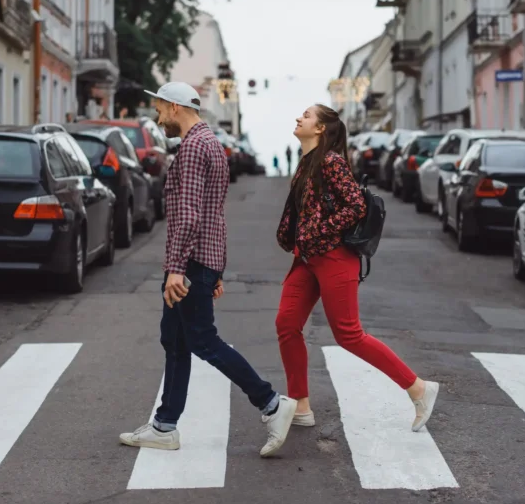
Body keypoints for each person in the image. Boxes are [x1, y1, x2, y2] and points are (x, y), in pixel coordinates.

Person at [119, 81, 296, 457]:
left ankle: (271, 404)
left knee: (202, 340)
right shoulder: (211, 143)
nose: (157, 116)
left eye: (160, 109)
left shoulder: (193, 147)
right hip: (202, 260)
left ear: (174, 106)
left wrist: (176, 269)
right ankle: (165, 426)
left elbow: (189, 214)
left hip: (190, 262)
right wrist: (215, 269)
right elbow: (214, 214)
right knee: (175, 339)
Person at [275, 104, 439, 431]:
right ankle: (301, 405)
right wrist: (296, 234)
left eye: (306, 116)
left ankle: (418, 388)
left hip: (335, 257)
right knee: (286, 324)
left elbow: (356, 207)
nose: (298, 118)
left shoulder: (332, 162)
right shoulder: (306, 163)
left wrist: (315, 231)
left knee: (349, 334)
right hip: (307, 259)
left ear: (320, 128)